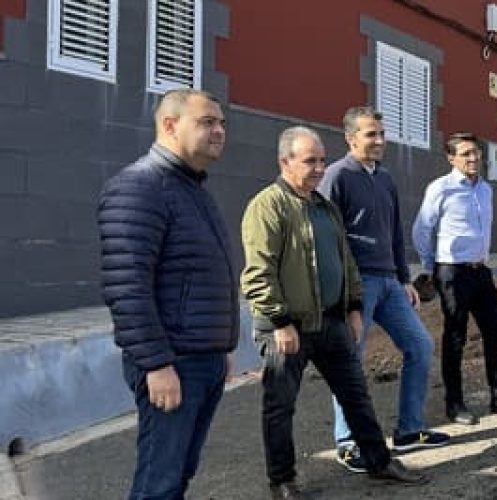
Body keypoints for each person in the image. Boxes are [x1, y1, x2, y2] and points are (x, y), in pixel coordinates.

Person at [240, 127, 428, 499]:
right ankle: (282, 480)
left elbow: (346, 262)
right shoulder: (267, 206)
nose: (319, 168)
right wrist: (280, 320)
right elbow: (257, 273)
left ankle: (379, 461)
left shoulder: (324, 208)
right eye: (310, 161)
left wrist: (355, 307)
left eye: (322, 160)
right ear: (285, 162)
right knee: (280, 406)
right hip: (287, 329)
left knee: (356, 394)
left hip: (330, 322)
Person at [97, 89, 238, 500]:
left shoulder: (191, 188)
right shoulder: (140, 187)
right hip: (173, 363)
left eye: (222, 123)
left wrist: (220, 345)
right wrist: (156, 363)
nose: (219, 131)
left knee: (177, 475)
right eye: (207, 122)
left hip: (202, 358)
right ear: (170, 125)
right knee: (159, 482)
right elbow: (127, 286)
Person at [318, 107, 448, 468]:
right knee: (350, 360)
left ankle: (409, 430)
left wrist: (405, 279)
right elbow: (329, 238)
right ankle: (348, 440)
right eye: (370, 134)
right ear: (350, 138)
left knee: (420, 346)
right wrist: (343, 292)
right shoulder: (336, 176)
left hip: (389, 282)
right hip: (356, 284)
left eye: (381, 134)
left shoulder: (385, 179)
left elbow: (393, 233)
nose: (378, 141)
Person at [412, 132, 497, 425]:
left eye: (476, 153)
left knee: (495, 330)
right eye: (466, 153)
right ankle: (455, 404)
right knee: (455, 337)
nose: (473, 159)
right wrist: (431, 268)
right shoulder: (441, 188)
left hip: (481, 271)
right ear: (451, 158)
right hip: (452, 272)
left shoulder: (485, 189)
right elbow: (421, 229)